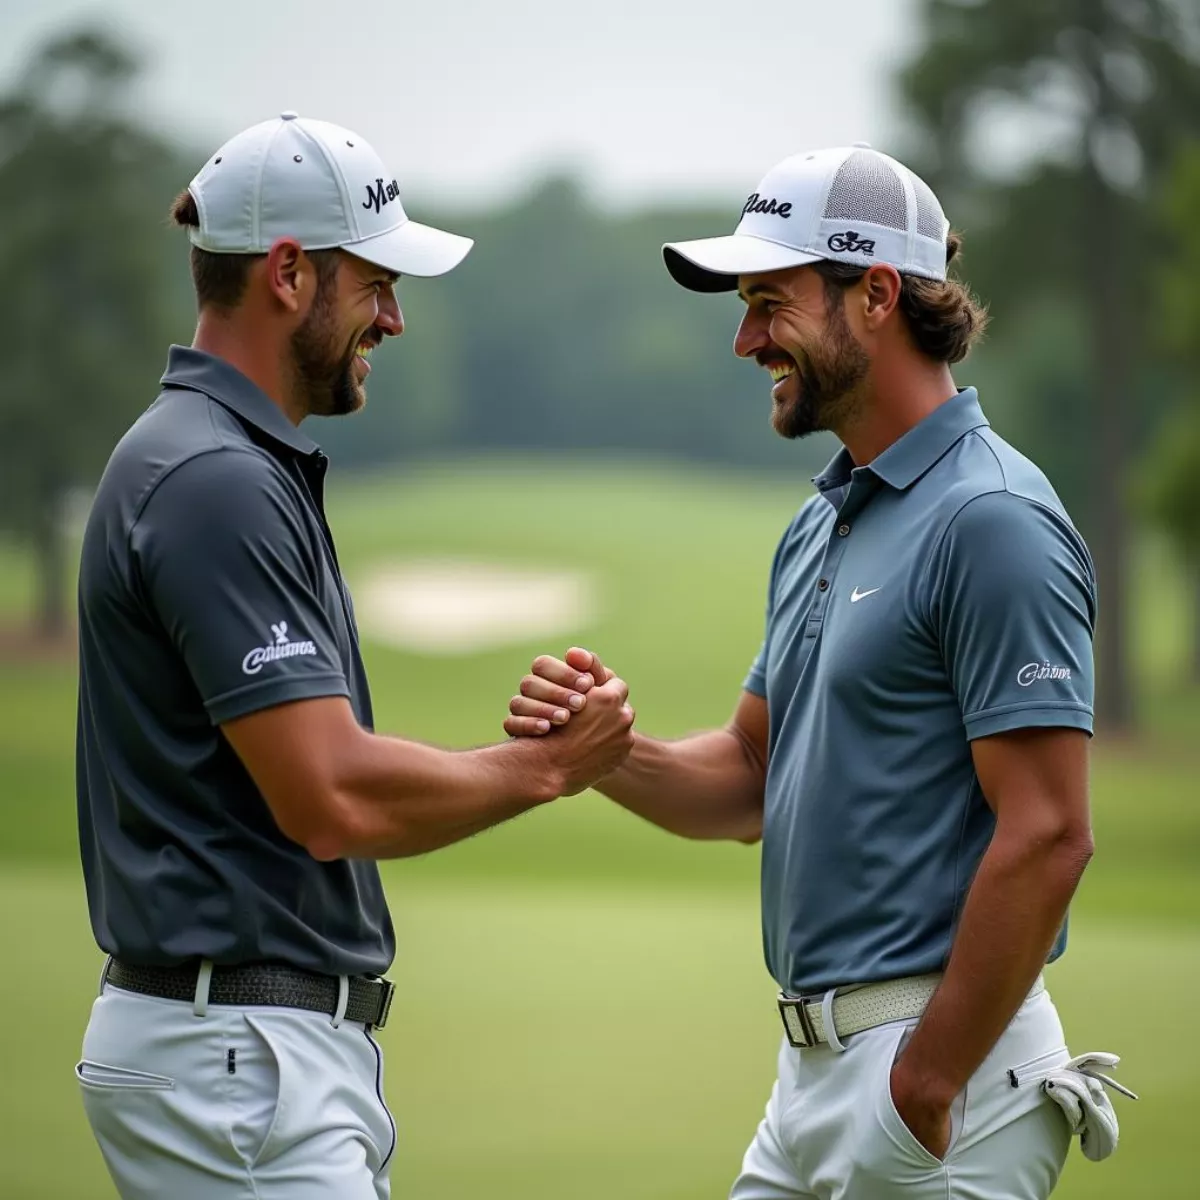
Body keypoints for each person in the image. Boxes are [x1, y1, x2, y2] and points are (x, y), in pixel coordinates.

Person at [506, 144, 1134, 1198]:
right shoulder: (824, 521)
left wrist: (923, 1087)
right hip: (810, 1085)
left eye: (769, 303)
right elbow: (751, 778)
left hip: (941, 1087)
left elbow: (1049, 833)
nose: (747, 339)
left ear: (877, 294)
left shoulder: (992, 520)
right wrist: (601, 754)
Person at [74, 111, 634, 1200]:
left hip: (231, 1051)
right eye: (375, 282)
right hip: (235, 1060)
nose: (396, 317)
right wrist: (546, 769)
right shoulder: (215, 480)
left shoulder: (213, 458)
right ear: (288, 273)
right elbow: (329, 794)